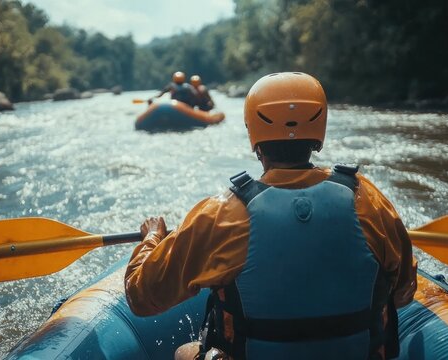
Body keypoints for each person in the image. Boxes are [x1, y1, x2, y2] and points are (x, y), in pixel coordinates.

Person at [126, 72, 417, 360]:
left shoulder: (222, 214)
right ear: (319, 130)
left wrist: (152, 239)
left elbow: (141, 297)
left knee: (184, 352)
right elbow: (404, 293)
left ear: (254, 135)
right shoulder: (368, 199)